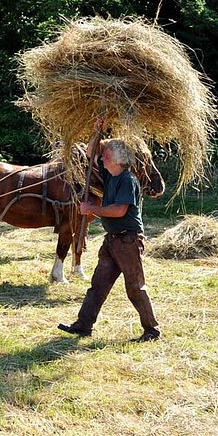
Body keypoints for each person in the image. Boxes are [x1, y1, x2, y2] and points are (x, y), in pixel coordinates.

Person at [59, 119, 161, 342]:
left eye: (105, 155)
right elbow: (90, 153)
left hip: (128, 241)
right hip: (113, 241)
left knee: (135, 287)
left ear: (115, 159)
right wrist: (96, 131)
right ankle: (83, 325)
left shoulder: (127, 180)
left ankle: (152, 330)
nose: (101, 158)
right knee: (98, 285)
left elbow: (119, 210)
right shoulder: (110, 174)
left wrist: (91, 209)